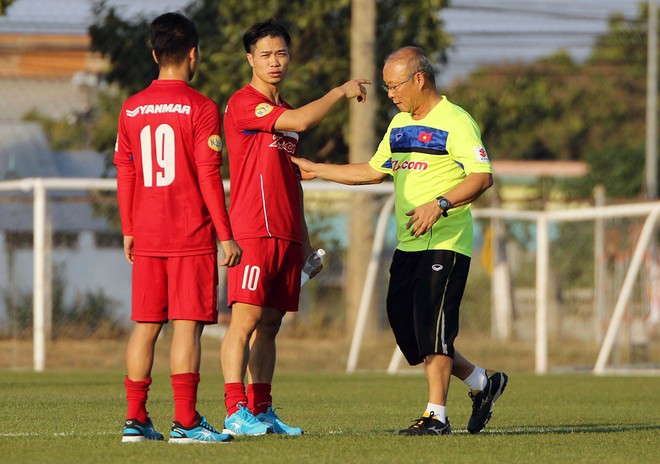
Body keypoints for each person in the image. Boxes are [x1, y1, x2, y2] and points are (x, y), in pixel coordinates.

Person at [291, 46, 508, 436]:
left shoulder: (457, 121)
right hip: (408, 245)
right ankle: (481, 383)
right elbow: (374, 172)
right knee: (410, 330)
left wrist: (439, 205)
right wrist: (318, 169)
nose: (389, 93)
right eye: (387, 86)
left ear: (419, 79)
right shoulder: (399, 124)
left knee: (433, 327)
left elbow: (481, 176)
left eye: (394, 85)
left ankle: (436, 416)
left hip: (447, 241)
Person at [220, 18, 369, 436]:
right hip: (253, 231)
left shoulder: (283, 113)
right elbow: (304, 121)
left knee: (270, 326)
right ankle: (235, 411)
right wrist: (340, 90)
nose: (274, 62)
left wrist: (304, 243)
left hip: (285, 234)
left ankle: (262, 409)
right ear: (250, 59)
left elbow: (292, 184)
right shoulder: (244, 103)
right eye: (265, 54)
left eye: (281, 53)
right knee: (244, 321)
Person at [114, 12, 241, 444]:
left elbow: (125, 172)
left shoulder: (131, 107)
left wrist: (128, 226)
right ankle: (185, 422)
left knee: (146, 326)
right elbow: (209, 176)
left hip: (147, 233)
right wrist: (225, 234)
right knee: (186, 326)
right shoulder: (201, 107)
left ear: (154, 54)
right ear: (193, 54)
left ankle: (135, 420)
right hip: (189, 234)